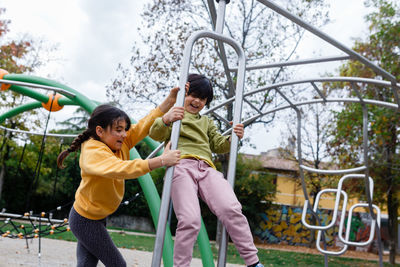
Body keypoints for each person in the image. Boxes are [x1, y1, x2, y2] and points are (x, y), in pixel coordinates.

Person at [57, 87, 183, 267]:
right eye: (118, 129)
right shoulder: (93, 152)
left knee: (86, 264)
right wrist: (161, 160)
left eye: (125, 129)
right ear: (100, 131)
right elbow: (122, 168)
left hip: (97, 216)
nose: (124, 134)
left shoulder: (119, 142)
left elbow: (143, 125)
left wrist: (169, 101)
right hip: (85, 219)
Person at [149, 74, 264, 267]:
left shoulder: (206, 122)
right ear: (184, 94)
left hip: (206, 168)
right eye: (193, 95)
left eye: (202, 99)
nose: (197, 101)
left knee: (231, 208)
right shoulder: (175, 116)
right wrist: (166, 119)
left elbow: (218, 145)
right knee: (190, 219)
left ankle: (253, 262)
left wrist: (233, 139)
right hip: (181, 165)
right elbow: (155, 133)